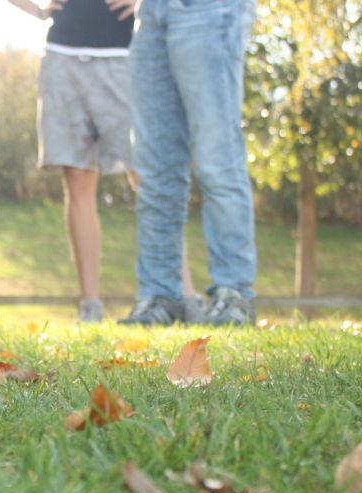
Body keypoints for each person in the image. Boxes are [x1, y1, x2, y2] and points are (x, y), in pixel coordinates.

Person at [6, 0, 200, 322]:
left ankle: (185, 295)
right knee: (78, 179)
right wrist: (38, 10)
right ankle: (90, 307)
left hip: (124, 57)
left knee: (146, 175)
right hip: (62, 56)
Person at [121, 0, 259, 326]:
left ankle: (233, 292)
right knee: (155, 168)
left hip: (210, 9)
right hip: (151, 12)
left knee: (217, 159)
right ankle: (159, 296)